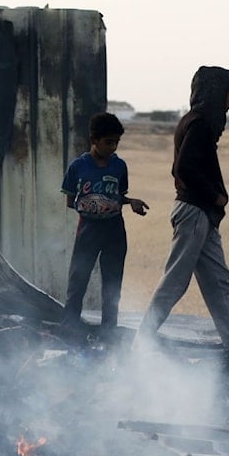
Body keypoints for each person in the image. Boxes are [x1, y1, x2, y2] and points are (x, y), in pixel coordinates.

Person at [133, 66, 229, 357]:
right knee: (175, 281)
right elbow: (183, 167)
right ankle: (141, 342)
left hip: (202, 214)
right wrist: (215, 196)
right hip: (195, 211)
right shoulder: (199, 124)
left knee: (218, 282)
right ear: (215, 93)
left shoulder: (197, 122)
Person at [61, 112, 148, 340]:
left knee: (112, 281)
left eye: (116, 142)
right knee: (78, 277)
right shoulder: (78, 167)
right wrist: (91, 206)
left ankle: (109, 330)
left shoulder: (119, 166)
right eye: (109, 142)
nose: (113, 147)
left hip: (114, 230)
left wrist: (131, 203)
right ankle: (69, 326)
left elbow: (119, 196)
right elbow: (70, 201)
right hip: (88, 229)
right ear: (94, 140)